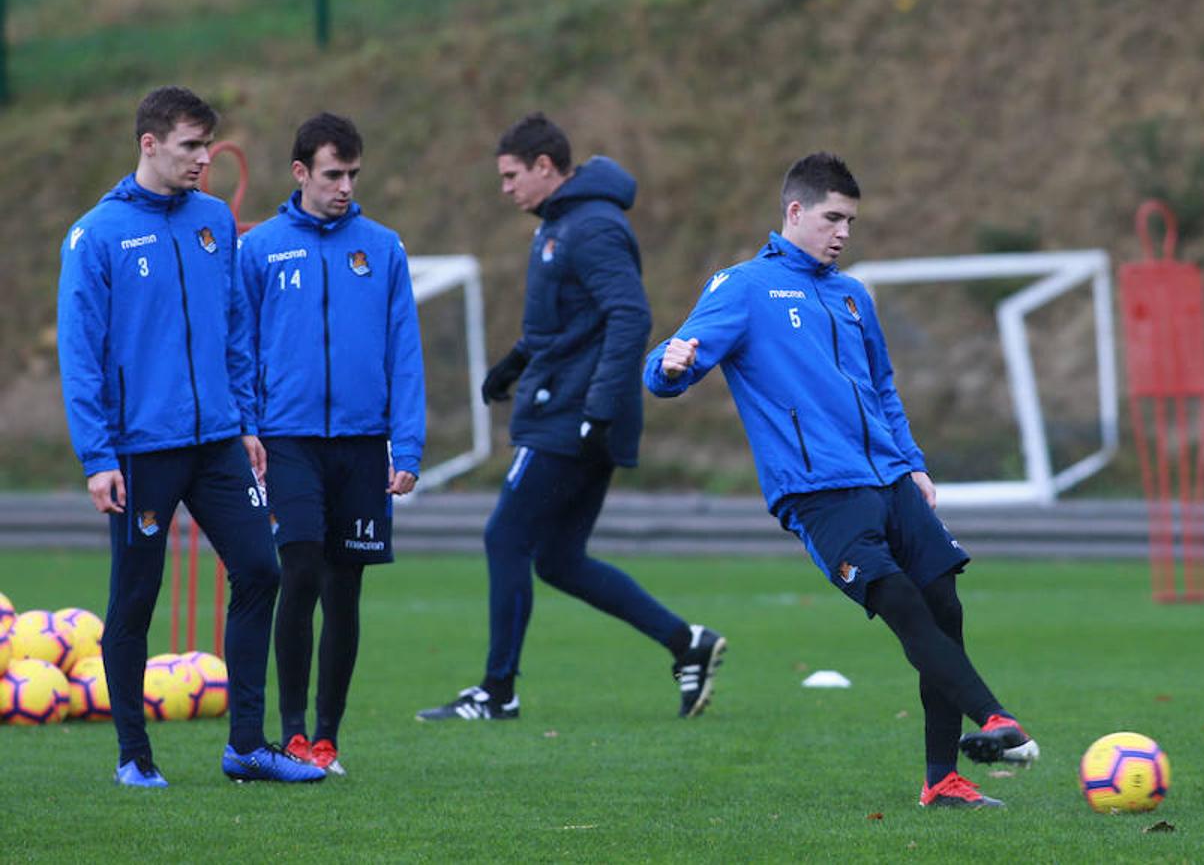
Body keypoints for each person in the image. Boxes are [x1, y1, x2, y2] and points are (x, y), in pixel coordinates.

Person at [643, 152, 1039, 808]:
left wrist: (912, 462)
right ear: (795, 212)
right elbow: (669, 364)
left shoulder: (853, 295)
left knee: (945, 607)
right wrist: (670, 365)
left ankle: (943, 780)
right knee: (900, 602)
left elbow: (881, 387)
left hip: (889, 479)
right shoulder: (744, 287)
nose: (843, 232)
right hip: (819, 490)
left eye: (851, 221)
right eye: (832, 218)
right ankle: (997, 718)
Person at [57, 86, 325, 786]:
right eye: (190, 146)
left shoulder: (213, 221)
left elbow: (235, 329)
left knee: (262, 570)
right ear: (149, 144)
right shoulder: (96, 235)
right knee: (136, 599)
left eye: (208, 145)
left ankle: (246, 747)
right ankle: (134, 756)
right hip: (140, 450)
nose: (204, 158)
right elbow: (80, 357)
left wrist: (247, 423)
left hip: (217, 442)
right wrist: (97, 456)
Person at [416, 113, 724, 722]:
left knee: (504, 537)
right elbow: (564, 326)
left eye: (512, 176)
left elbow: (630, 316)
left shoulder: (592, 226)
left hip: (572, 416)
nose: (505, 188)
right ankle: (686, 643)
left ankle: (497, 692)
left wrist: (598, 409)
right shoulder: (559, 225)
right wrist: (513, 364)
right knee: (558, 559)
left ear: (545, 167)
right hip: (569, 409)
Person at [240, 113, 426, 776]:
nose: (345, 186)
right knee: (299, 572)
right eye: (332, 174)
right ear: (301, 173)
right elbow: (240, 346)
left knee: (345, 590)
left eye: (352, 174)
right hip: (287, 439)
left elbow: (405, 352)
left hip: (362, 444)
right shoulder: (260, 249)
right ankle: (292, 735)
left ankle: (327, 739)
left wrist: (408, 446)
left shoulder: (383, 249)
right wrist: (247, 424)